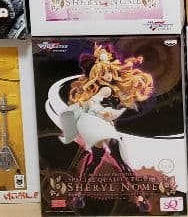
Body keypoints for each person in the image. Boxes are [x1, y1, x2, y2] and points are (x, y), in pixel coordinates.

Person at [56, 46, 155, 210]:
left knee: (96, 161)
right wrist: (101, 111)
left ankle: (79, 195)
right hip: (102, 128)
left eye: (109, 71)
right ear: (97, 75)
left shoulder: (112, 88)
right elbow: (92, 101)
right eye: (104, 73)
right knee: (120, 163)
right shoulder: (106, 89)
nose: (108, 75)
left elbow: (113, 101)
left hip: (102, 129)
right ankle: (140, 198)